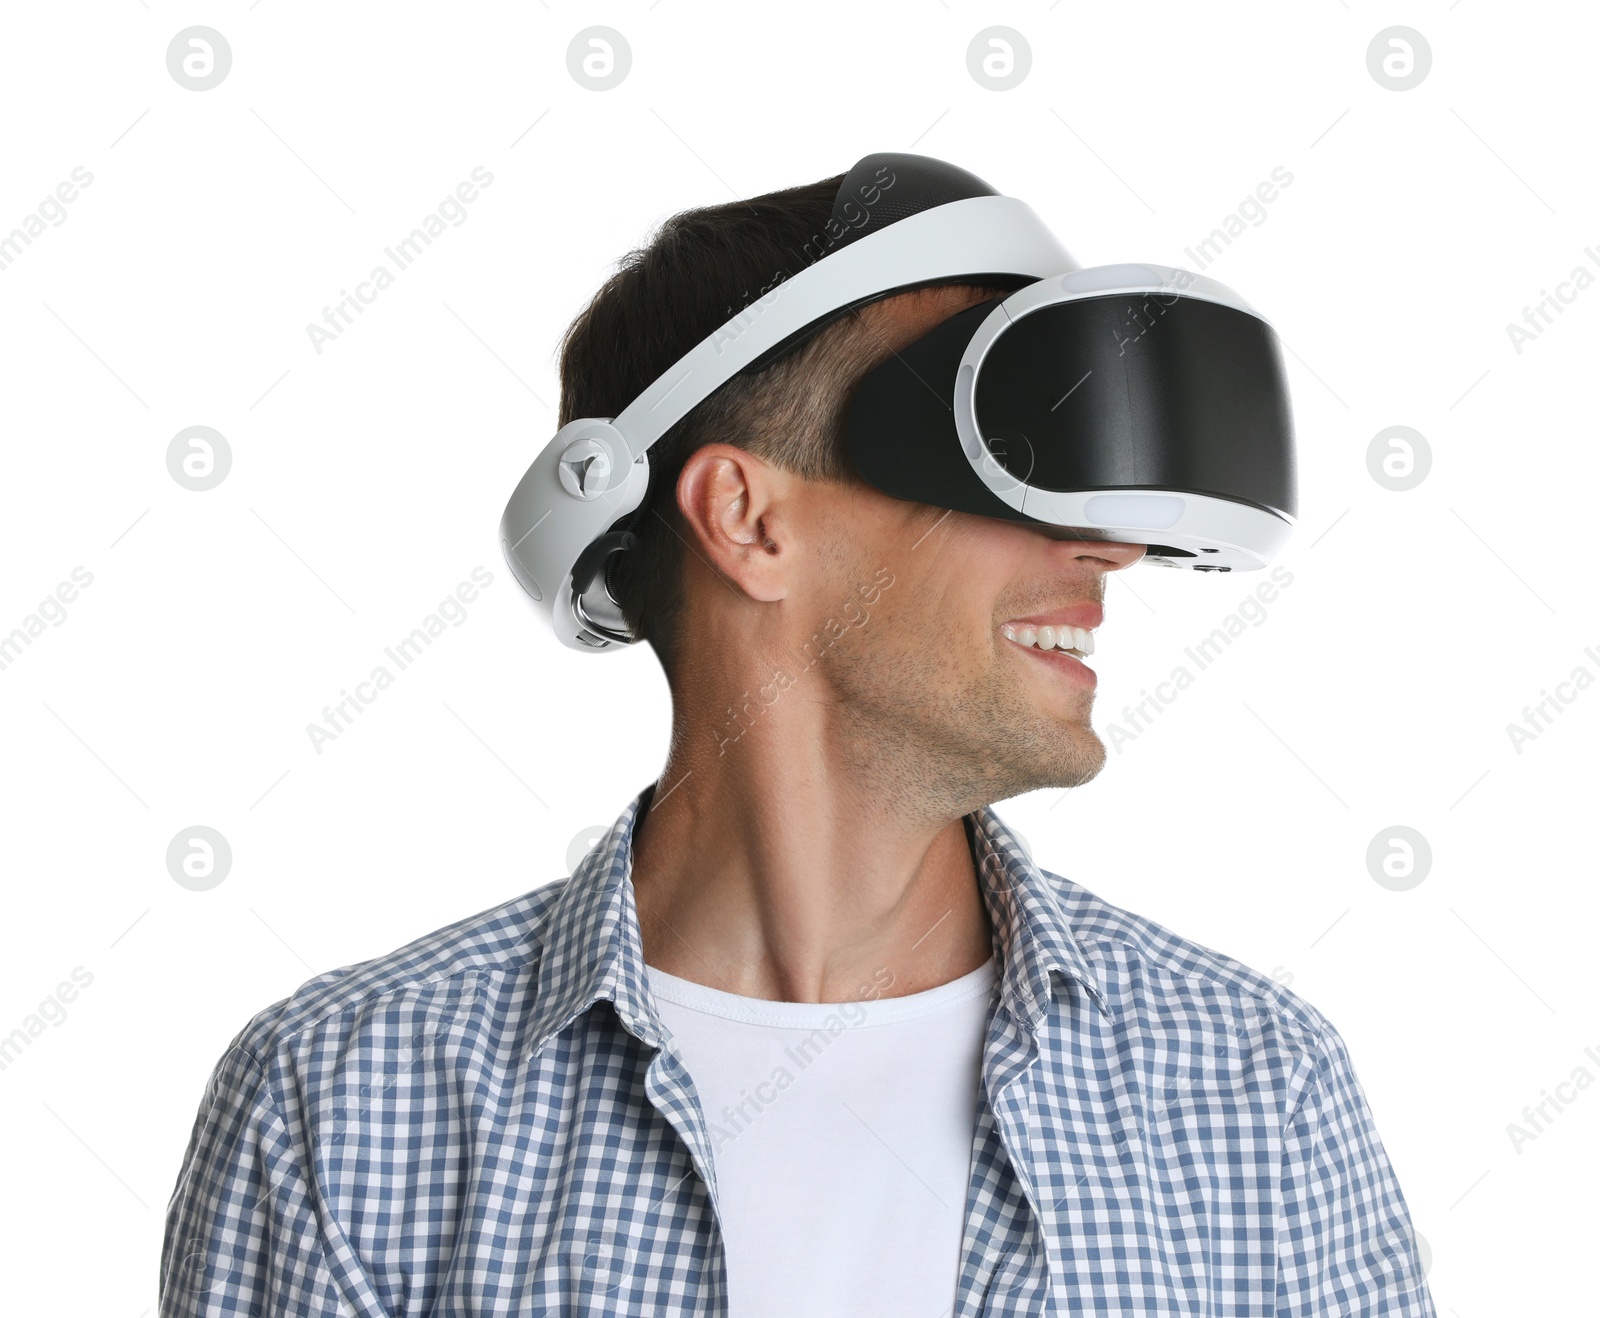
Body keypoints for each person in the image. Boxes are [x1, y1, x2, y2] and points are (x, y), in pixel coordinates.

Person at [160, 167, 1436, 1317]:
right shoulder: (345, 1105)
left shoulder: (1256, 1092)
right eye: (1014, 456)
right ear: (747, 520)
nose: (1106, 547)